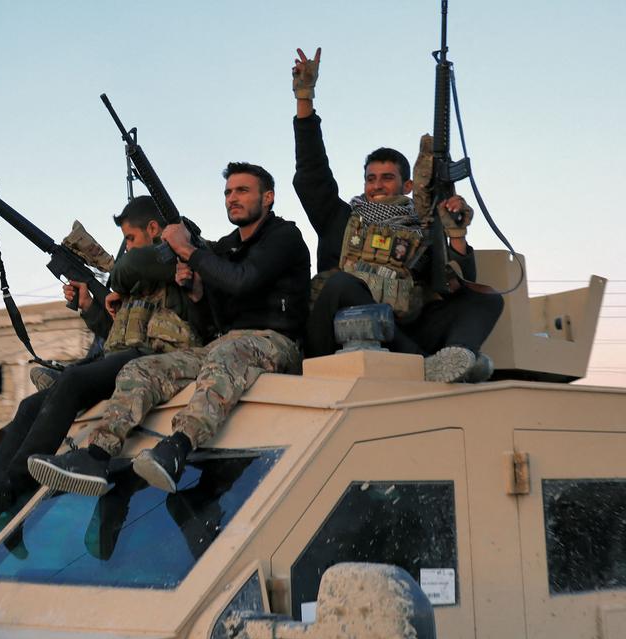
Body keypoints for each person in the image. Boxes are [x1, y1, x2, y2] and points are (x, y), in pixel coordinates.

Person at [27, 162, 310, 496]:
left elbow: (243, 281)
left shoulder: (283, 237)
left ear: (268, 197)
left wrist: (188, 250)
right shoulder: (226, 246)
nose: (233, 198)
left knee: (226, 351)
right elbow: (212, 316)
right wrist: (196, 292)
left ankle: (178, 446)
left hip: (276, 341)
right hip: (223, 345)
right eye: (229, 192)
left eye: (243, 190)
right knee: (141, 368)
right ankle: (97, 454)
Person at [0, 195, 209, 528]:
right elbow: (116, 336)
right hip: (126, 358)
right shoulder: (137, 286)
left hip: (158, 361)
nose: (126, 248)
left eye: (130, 238)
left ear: (154, 229)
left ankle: (12, 486)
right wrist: (88, 306)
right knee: (30, 405)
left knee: (71, 381)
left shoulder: (178, 263)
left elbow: (150, 330)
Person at [292, 47, 503, 382]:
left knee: (488, 300)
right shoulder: (341, 219)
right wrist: (305, 98)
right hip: (334, 337)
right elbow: (311, 172)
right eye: (371, 178)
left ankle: (458, 357)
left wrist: (457, 234)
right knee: (344, 283)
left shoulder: (420, 228)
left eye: (387, 178)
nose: (377, 186)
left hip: (402, 333)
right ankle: (425, 364)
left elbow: (456, 283)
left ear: (406, 184)